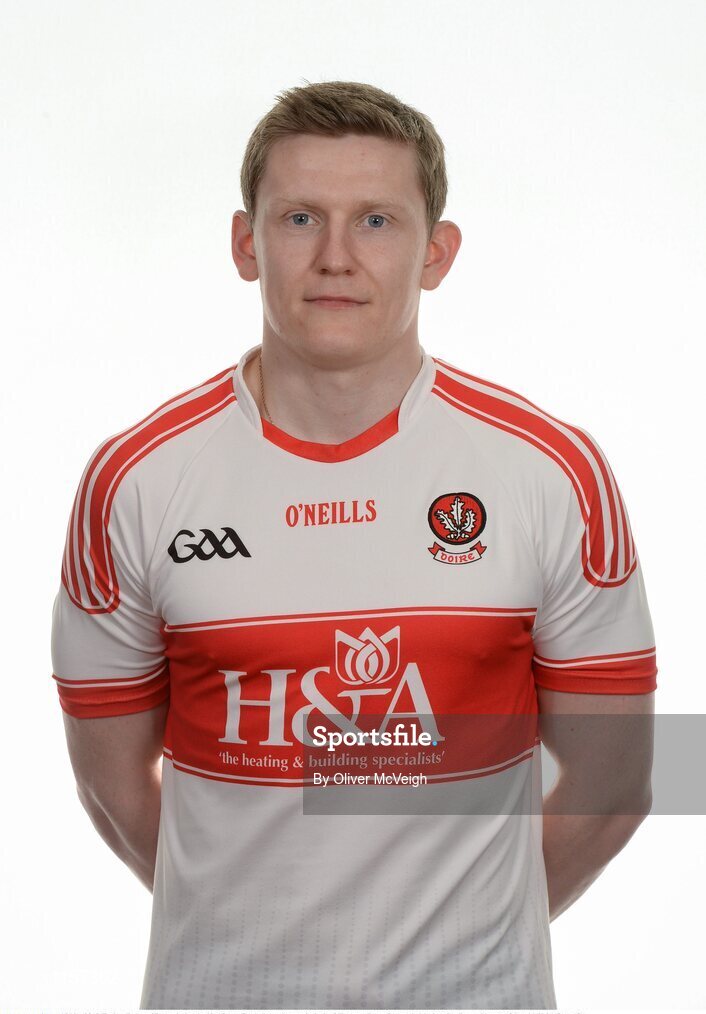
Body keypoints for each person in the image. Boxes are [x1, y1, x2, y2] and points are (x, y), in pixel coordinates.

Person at [51, 80, 656, 1010]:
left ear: (437, 253)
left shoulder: (549, 472)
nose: (335, 257)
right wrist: (239, 922)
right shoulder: (135, 481)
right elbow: (112, 786)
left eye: (376, 220)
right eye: (300, 217)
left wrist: (471, 942)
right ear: (247, 245)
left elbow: (612, 786)